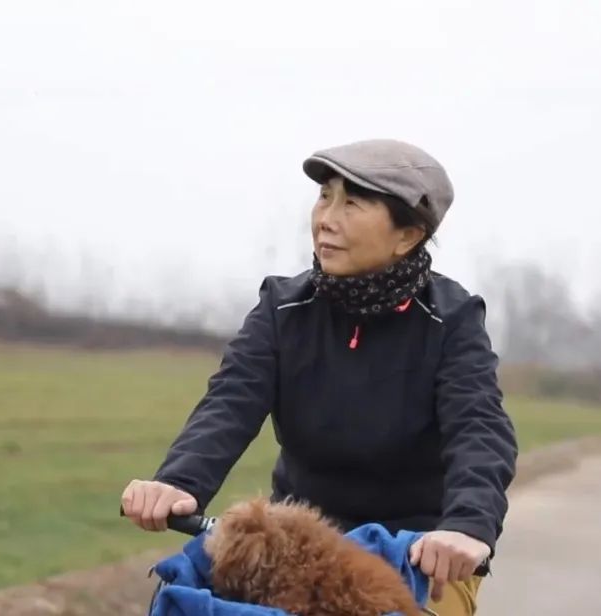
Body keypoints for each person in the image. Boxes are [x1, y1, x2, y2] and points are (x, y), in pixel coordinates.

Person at [121, 138, 518, 615]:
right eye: (324, 196)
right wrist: (179, 482)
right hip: (294, 545)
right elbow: (229, 401)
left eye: (352, 202)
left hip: (416, 552)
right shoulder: (283, 307)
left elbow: (479, 426)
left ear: (407, 235)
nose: (326, 218)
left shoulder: (451, 320)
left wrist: (469, 527)